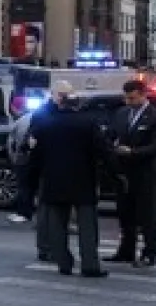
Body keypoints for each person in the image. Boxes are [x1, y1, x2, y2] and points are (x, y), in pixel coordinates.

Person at [27, 81, 107, 278]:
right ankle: (90, 264)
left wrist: (32, 178)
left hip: (54, 180)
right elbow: (102, 151)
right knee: (87, 226)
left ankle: (64, 263)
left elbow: (34, 152)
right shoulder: (89, 122)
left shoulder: (45, 123)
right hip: (83, 180)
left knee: (56, 225)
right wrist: (114, 173)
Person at [106, 80, 156, 267]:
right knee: (125, 213)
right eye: (126, 97)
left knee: (148, 216)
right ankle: (126, 250)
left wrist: (134, 152)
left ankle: (149, 253)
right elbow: (112, 134)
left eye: (132, 98)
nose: (128, 101)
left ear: (143, 95)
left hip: (146, 173)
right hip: (124, 173)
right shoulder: (121, 113)